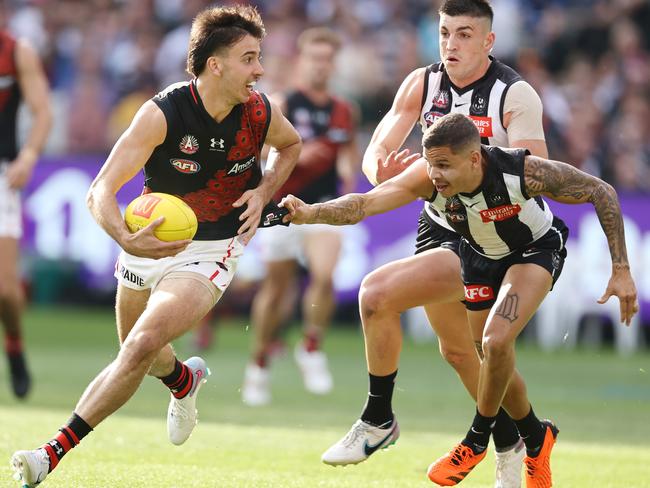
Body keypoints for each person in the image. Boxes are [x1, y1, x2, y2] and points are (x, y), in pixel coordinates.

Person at [10, 5, 301, 487]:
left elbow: (289, 147)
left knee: (141, 344)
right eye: (250, 58)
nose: (260, 70)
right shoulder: (163, 113)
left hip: (214, 247)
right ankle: (183, 382)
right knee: (138, 351)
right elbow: (100, 190)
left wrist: (265, 189)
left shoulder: (259, 111)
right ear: (216, 64)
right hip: (148, 245)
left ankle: (50, 453)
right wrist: (125, 238)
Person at [280, 112, 638, 487]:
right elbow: (364, 204)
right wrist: (309, 213)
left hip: (533, 252)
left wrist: (621, 269)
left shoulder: (522, 172)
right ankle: (535, 436)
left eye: (444, 165)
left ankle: (476, 440)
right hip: (479, 258)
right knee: (486, 357)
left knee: (496, 341)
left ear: (474, 158)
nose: (435, 175)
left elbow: (601, 191)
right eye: (431, 164)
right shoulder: (428, 177)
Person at [320, 1, 548, 486]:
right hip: (441, 227)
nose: (451, 44)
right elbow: (378, 148)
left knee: (380, 297)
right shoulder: (423, 83)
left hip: (496, 236)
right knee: (460, 352)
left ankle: (380, 418)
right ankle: (519, 441)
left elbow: (537, 171)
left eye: (465, 34)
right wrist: (378, 168)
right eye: (445, 32)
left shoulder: (514, 93)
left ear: (488, 41)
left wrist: (476, 173)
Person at [241, 27, 359, 406]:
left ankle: (310, 347)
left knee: (325, 274)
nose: (321, 66)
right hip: (282, 206)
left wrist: (346, 171)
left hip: (322, 205)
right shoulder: (282, 103)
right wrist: (293, 157)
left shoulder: (344, 110)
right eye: (315, 58)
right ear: (301, 61)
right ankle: (258, 363)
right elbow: (256, 153)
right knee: (277, 291)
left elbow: (347, 149)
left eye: (327, 59)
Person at [0, 8, 52, 400]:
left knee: (7, 291)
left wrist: (29, 155)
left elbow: (43, 112)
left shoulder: (17, 52)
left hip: (3, 173)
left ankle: (14, 345)